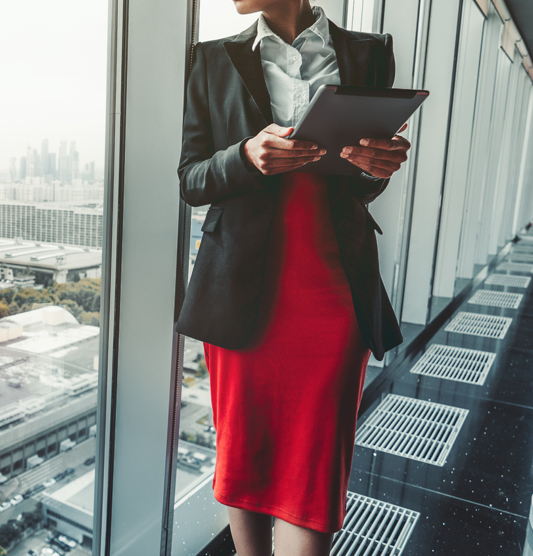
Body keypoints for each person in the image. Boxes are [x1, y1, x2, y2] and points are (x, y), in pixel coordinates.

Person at [173, 1, 411, 555]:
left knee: (316, 460)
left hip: (334, 288)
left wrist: (380, 165)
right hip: (239, 289)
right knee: (244, 448)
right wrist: (246, 156)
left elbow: (364, 182)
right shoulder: (211, 60)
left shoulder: (368, 53)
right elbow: (191, 178)